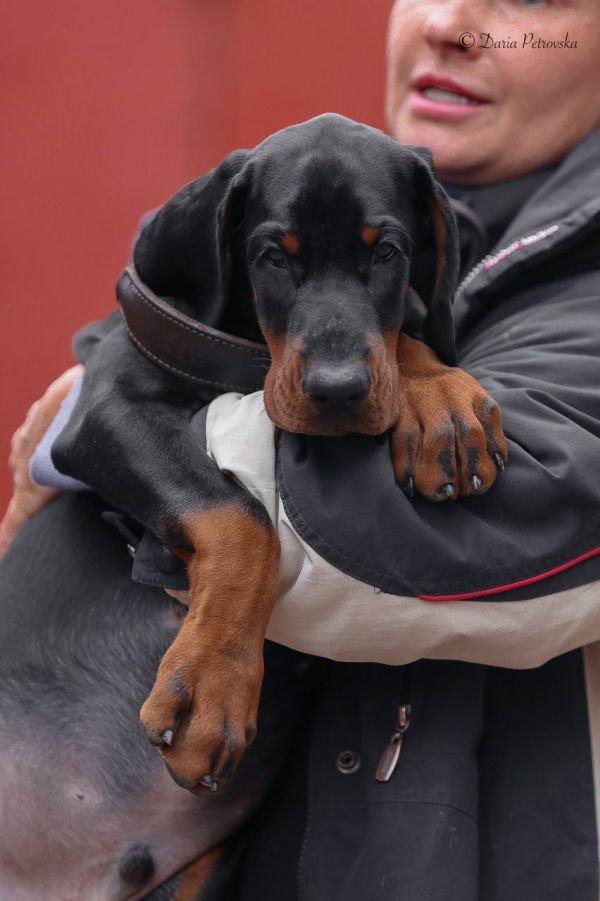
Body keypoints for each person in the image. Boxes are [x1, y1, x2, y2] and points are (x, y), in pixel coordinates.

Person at [3, 1, 600, 898]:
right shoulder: (312, 204)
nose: (452, 21)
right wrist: (95, 429)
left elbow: (375, 534)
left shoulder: (561, 286)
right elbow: (132, 387)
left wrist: (70, 431)